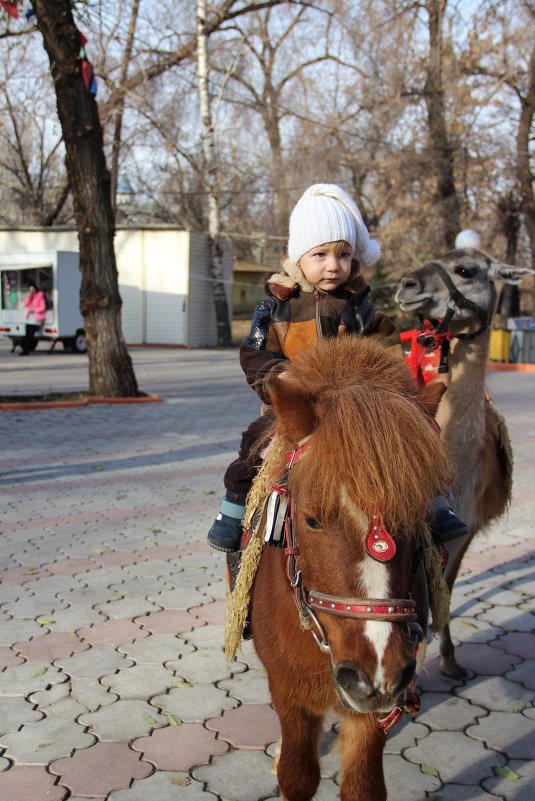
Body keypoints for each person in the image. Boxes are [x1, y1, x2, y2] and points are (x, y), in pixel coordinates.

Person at [208, 183, 468, 553]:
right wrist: (278, 379)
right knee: (254, 442)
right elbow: (254, 354)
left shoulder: (360, 308)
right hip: (299, 407)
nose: (334, 265)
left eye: (343, 254)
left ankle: (435, 503)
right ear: (299, 257)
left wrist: (394, 389)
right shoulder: (275, 308)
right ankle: (232, 510)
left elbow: (388, 351)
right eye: (321, 254)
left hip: (361, 409)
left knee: (415, 439)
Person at [21, 280, 46, 355]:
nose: (31, 291)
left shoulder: (40, 296)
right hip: (29, 317)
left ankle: (26, 350)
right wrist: (29, 297)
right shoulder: (30, 297)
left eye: (32, 289)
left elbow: (43, 307)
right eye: (30, 289)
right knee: (26, 334)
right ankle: (25, 349)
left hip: (36, 318)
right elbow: (26, 305)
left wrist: (36, 310)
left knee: (30, 335)